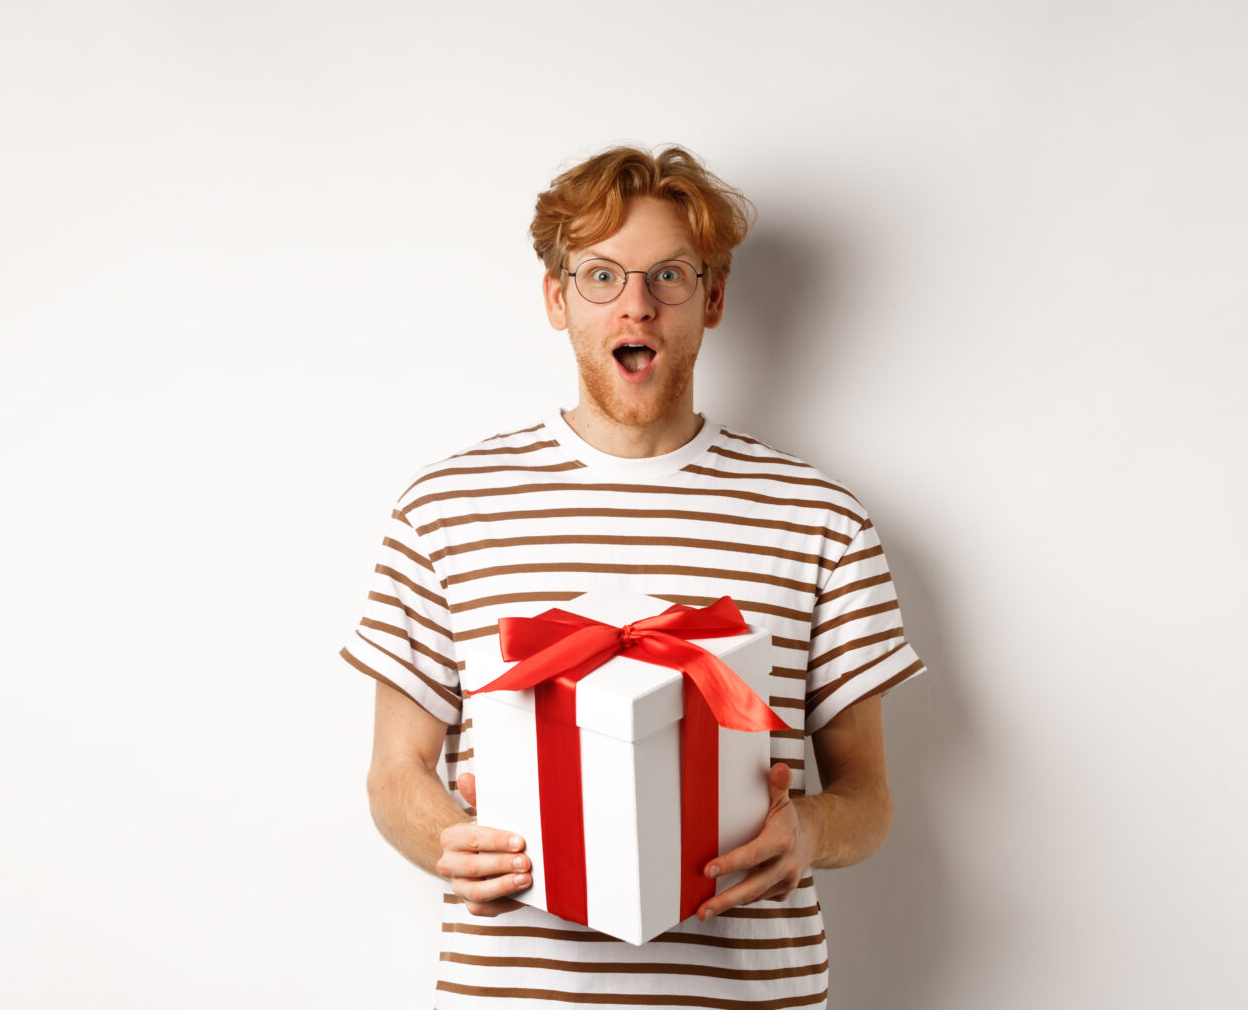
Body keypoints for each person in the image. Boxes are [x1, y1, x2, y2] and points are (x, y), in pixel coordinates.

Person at [341, 144, 927, 1007]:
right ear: (557, 298)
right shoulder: (447, 508)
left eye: (670, 276)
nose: (638, 305)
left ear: (714, 297)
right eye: (602, 276)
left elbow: (867, 798)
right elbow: (396, 772)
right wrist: (447, 837)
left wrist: (806, 829)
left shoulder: (821, 518)